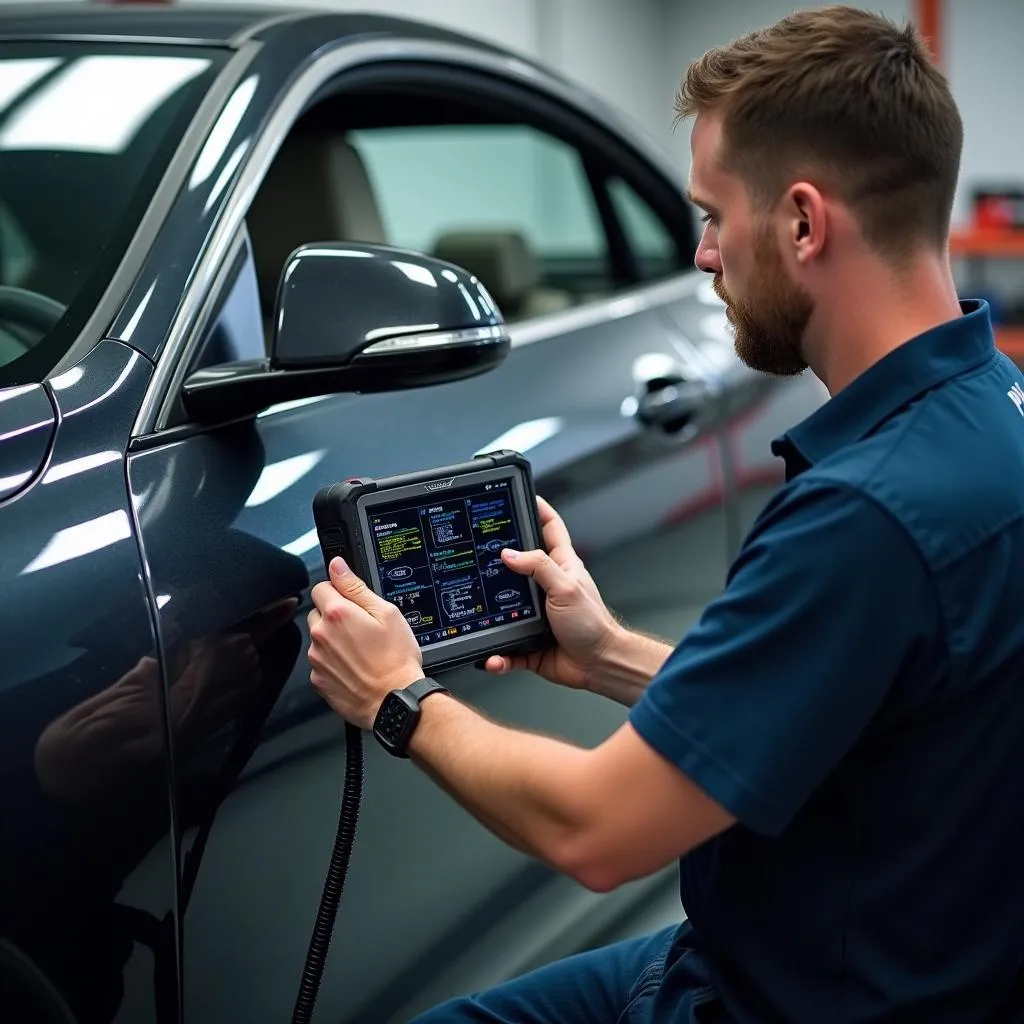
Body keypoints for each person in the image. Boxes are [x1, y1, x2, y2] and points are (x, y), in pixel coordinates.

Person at [306, 5, 1024, 1022]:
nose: (699, 256)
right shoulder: (986, 412)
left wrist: (393, 695)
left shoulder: (867, 514)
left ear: (803, 223)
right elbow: (837, 701)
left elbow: (597, 834)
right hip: (875, 951)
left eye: (712, 215)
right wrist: (606, 654)